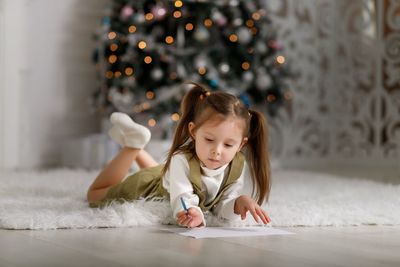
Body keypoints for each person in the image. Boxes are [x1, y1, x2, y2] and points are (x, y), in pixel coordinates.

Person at [87, 83, 271, 228]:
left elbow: (222, 206)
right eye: (209, 140)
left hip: (165, 174)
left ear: (241, 144)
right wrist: (192, 211)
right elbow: (181, 196)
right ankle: (132, 147)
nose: (217, 150)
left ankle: (137, 145)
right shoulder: (181, 160)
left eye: (229, 144)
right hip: (148, 186)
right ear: (193, 131)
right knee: (94, 195)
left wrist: (239, 202)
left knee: (163, 173)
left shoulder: (238, 165)